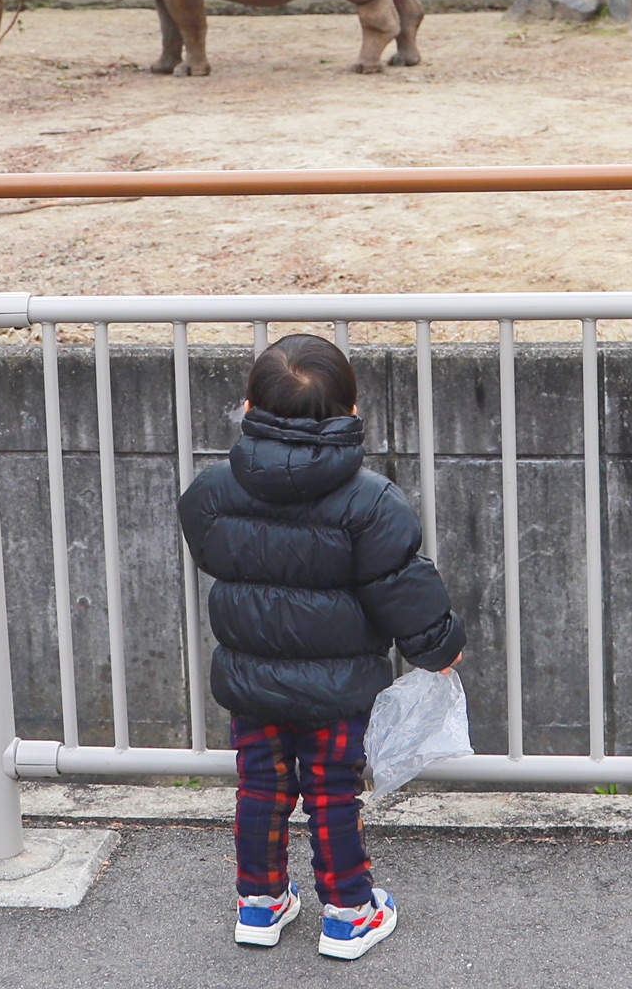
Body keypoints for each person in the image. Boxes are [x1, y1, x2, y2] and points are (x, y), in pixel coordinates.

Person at [178, 332, 463, 961]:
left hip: (252, 681)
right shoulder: (371, 502)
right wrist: (439, 646)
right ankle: (348, 912)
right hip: (338, 689)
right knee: (333, 793)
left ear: (248, 407)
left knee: (261, 788)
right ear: (352, 414)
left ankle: (259, 903)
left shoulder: (212, 491)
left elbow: (208, 548)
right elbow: (401, 586)